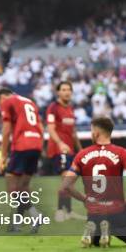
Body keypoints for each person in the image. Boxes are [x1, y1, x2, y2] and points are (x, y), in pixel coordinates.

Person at [61, 117, 126, 248]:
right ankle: (110, 228)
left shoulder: (82, 155)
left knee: (96, 239)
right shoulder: (122, 153)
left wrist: (85, 200)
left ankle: (96, 230)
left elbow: (66, 185)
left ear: (96, 133)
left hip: (94, 212)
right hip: (117, 210)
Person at [0, 87, 44, 233]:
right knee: (23, 188)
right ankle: (16, 224)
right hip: (36, 145)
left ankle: (36, 215)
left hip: (22, 146)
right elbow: (41, 127)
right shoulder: (30, 102)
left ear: (3, 97)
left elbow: (6, 130)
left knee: (12, 189)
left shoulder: (8, 101)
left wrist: (3, 156)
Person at [46, 81, 83, 221]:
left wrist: (81, 151)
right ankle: (60, 211)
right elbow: (50, 129)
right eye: (64, 89)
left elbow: (73, 133)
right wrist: (60, 143)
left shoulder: (71, 110)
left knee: (70, 182)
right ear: (58, 92)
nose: (67, 92)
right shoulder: (53, 108)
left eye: (69, 89)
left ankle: (68, 211)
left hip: (71, 151)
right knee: (67, 180)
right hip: (59, 149)